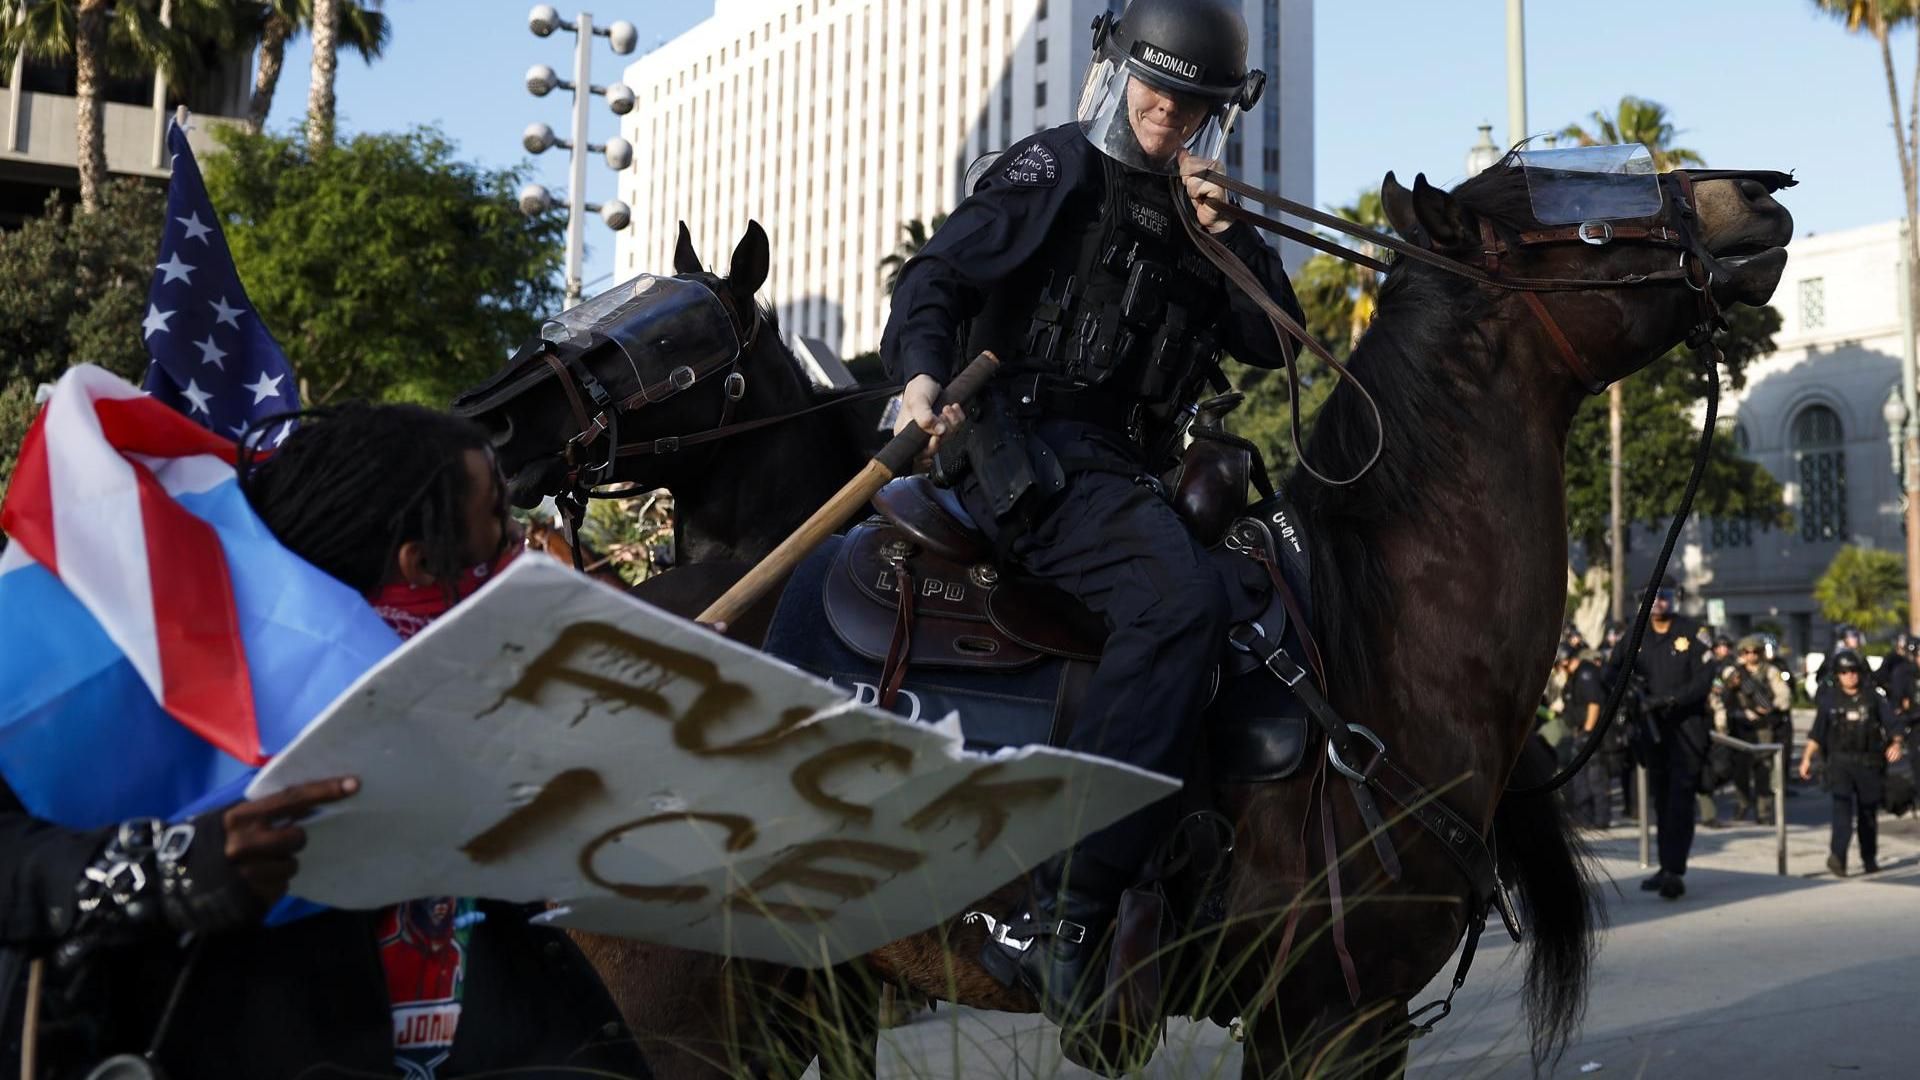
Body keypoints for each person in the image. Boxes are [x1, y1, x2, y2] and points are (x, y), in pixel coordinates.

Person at [1, 404, 651, 1078]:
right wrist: (171, 868)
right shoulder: (96, 680)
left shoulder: (457, 682)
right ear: (420, 562)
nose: (519, 541)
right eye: (497, 520)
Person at [882, 0, 1299, 1038]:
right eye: (1159, 91)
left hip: (1135, 470)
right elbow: (936, 276)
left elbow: (1276, 340)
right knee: (1174, 601)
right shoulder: (1054, 167)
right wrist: (921, 378)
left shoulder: (1206, 205)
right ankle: (1059, 908)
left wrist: (1228, 232)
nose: (1171, 115)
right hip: (1032, 451)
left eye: (1194, 103)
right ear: (1119, 74)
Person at [1605, 578, 1714, 899]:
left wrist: (1668, 700)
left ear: (1675, 599)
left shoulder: (1693, 632)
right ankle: (1666, 865)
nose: (1659, 603)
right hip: (1651, 733)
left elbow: (1703, 681)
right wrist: (1631, 691)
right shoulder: (1637, 632)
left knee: (1680, 800)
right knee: (1661, 800)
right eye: (1652, 597)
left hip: (1686, 730)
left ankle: (1674, 870)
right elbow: (1610, 671)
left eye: (1665, 597)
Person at [1800, 651, 1905, 876]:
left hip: (1869, 764)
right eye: (1844, 672)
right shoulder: (1829, 701)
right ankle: (1838, 858)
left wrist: (1896, 744)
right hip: (1840, 763)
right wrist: (1807, 758)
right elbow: (1817, 734)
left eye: (1853, 671)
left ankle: (1869, 858)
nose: (1850, 676)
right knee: (1842, 814)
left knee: (1868, 814)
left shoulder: (1874, 699)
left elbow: (1893, 726)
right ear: (1837, 675)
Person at [1710, 635, 1793, 822]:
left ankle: (1763, 810)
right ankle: (1743, 803)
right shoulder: (1733, 672)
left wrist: (1769, 708)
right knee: (1740, 770)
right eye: (1746, 652)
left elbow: (1784, 696)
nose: (1751, 656)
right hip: (1739, 727)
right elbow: (1716, 694)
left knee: (1764, 768)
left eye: (1755, 652)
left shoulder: (1770, 671)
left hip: (1762, 726)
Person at [1560, 648, 1613, 828]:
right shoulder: (1577, 675)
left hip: (1590, 733)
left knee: (1594, 777)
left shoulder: (1586, 673)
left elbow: (1594, 704)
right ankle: (1585, 818)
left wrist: (1588, 733)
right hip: (1582, 731)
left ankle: (1600, 819)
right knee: (1582, 778)